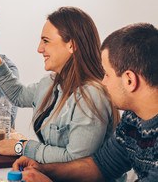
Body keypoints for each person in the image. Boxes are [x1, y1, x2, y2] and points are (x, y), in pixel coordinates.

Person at [12, 23, 158, 182]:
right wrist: (43, 169)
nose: (103, 82)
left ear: (129, 80)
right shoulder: (133, 118)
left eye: (107, 74)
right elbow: (103, 165)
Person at [0, 7, 120, 164]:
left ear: (72, 45)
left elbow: (76, 160)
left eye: (46, 41)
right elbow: (18, 95)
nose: (39, 49)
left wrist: (22, 147)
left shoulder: (92, 95)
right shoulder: (51, 82)